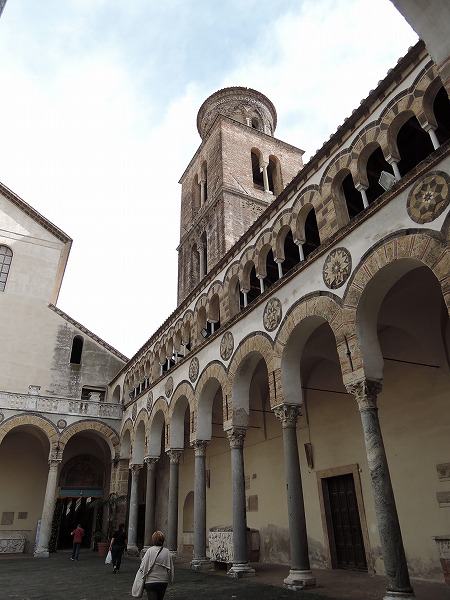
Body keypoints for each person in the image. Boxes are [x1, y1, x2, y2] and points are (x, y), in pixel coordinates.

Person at [140, 531, 174, 600]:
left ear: (153, 540)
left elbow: (143, 566)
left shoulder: (149, 551)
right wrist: (171, 579)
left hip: (151, 581)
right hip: (163, 581)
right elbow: (171, 567)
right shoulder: (167, 551)